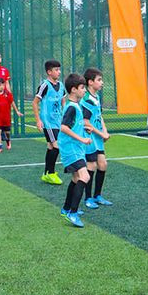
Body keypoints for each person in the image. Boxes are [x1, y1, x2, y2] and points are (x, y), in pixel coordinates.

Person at [58, 73, 92, 228]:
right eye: (82, 87)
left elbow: (72, 125)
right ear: (73, 90)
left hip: (74, 147)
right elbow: (64, 127)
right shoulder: (72, 107)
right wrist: (82, 139)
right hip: (71, 148)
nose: (84, 90)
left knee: (76, 178)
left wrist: (84, 129)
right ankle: (73, 212)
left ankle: (66, 208)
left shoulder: (74, 105)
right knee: (85, 176)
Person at [81, 68, 112, 209]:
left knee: (103, 164)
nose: (102, 82)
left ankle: (97, 195)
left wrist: (105, 132)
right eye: (99, 80)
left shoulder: (96, 97)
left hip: (98, 137)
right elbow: (86, 122)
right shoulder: (86, 99)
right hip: (89, 137)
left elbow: (99, 116)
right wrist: (101, 134)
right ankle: (88, 198)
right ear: (90, 82)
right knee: (91, 165)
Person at [32, 60, 65, 185]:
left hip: (58, 121)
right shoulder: (44, 85)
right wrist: (38, 120)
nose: (59, 72)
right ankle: (51, 173)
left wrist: (66, 116)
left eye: (59, 69)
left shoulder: (61, 85)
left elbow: (63, 102)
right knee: (57, 145)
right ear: (49, 72)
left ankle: (46, 174)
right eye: (56, 70)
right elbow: (35, 102)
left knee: (51, 147)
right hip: (48, 121)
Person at [0, 77, 23, 153]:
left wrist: (17, 111)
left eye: (3, 85)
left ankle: (8, 141)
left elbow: (12, 102)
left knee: (7, 132)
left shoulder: (8, 94)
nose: (1, 86)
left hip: (6, 117)